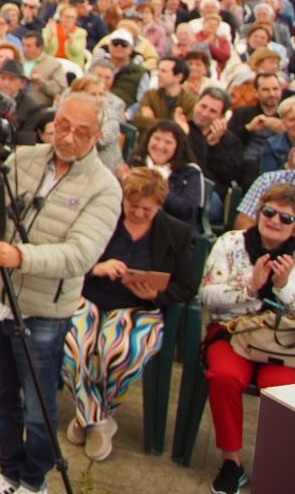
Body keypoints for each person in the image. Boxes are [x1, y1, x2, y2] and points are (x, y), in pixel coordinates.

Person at [0, 92, 121, 494]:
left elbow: (80, 255)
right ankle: (8, 473)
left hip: (43, 311)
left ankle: (33, 482)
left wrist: (22, 256)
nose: (68, 137)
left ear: (98, 136)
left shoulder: (104, 187)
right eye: (63, 125)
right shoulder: (25, 158)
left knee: (38, 410)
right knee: (1, 400)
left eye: (81, 132)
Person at [59, 168, 196, 462]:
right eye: (132, 206)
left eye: (148, 209)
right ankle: (98, 420)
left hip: (138, 307)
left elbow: (186, 286)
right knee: (71, 345)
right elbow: (70, 256)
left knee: (121, 351)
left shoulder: (176, 233)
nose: (138, 213)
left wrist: (156, 295)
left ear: (160, 206)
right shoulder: (103, 219)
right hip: (91, 296)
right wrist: (97, 267)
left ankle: (88, 416)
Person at [199, 183, 295, 494]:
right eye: (269, 212)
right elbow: (206, 296)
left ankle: (276, 468)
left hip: (286, 342)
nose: (275, 220)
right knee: (223, 376)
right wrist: (250, 287)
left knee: (285, 392)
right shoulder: (230, 242)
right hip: (232, 331)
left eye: (286, 218)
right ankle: (231, 463)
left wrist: (285, 287)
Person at [122, 120, 205, 230]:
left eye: (168, 142)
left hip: (173, 232)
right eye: (156, 139)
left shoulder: (190, 172)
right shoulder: (134, 163)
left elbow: (186, 210)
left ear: (178, 146)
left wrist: (156, 187)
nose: (160, 146)